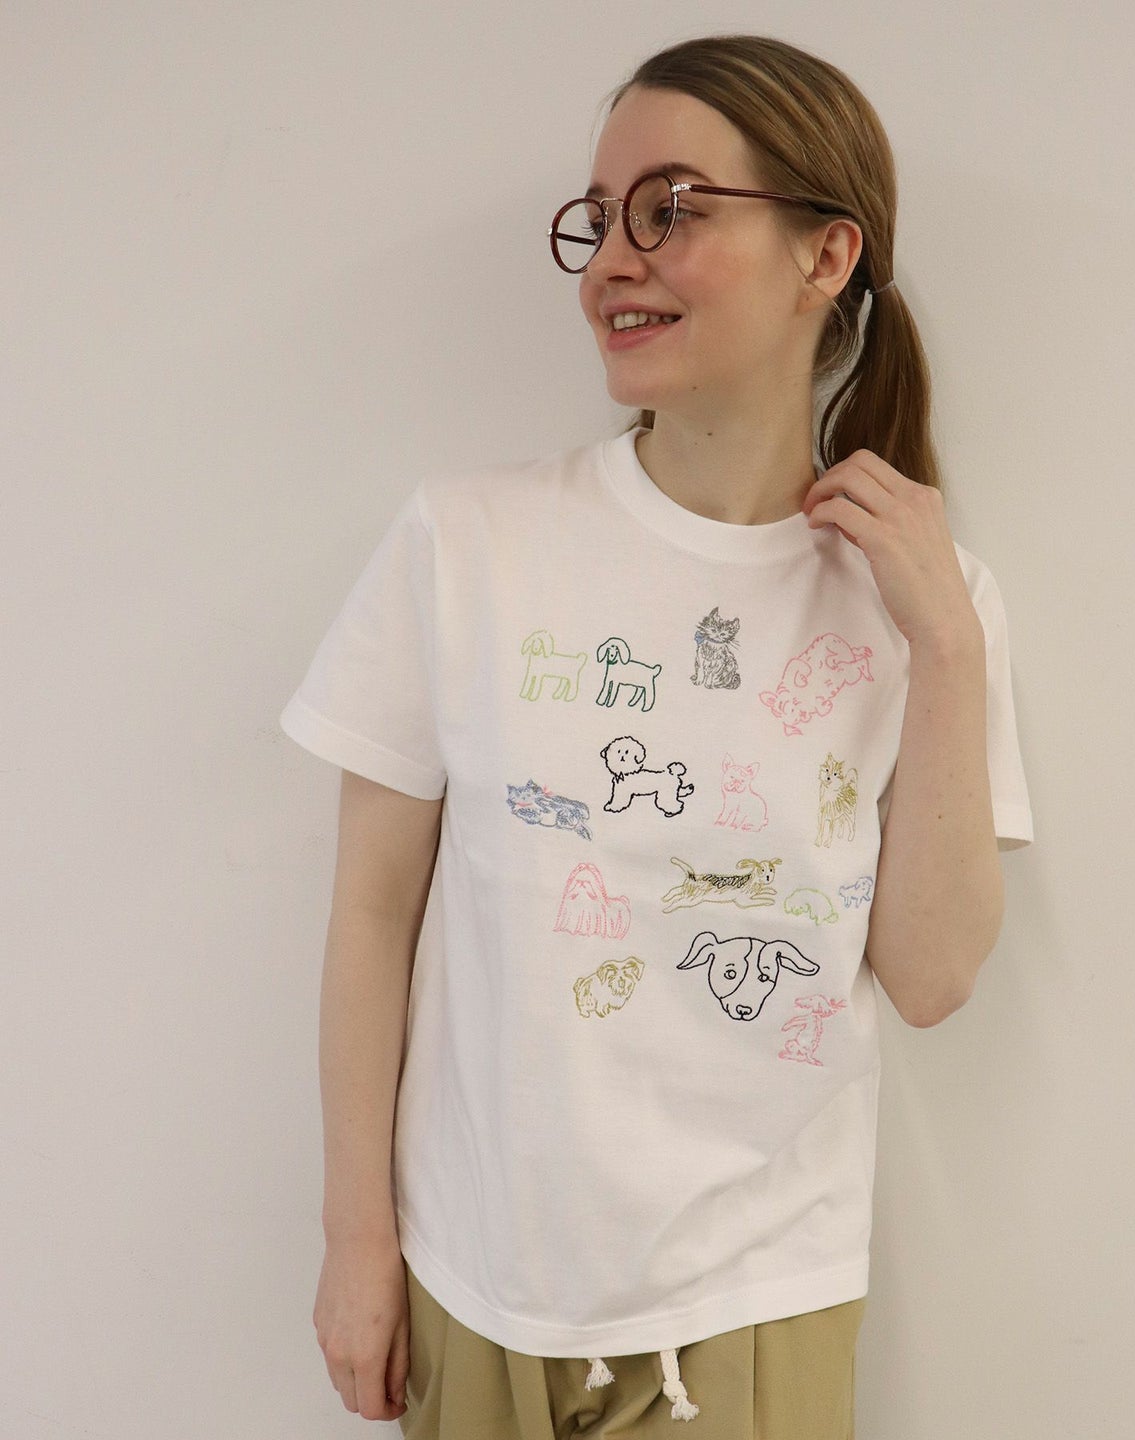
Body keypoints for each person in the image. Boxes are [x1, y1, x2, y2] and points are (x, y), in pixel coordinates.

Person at [280, 32, 1033, 1439]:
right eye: (601, 217)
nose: (611, 263)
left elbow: (932, 978)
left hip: (754, 1303)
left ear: (827, 255)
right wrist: (355, 1241)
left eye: (670, 210)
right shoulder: (468, 543)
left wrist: (944, 645)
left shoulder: (931, 603)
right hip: (473, 1279)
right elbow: (371, 916)